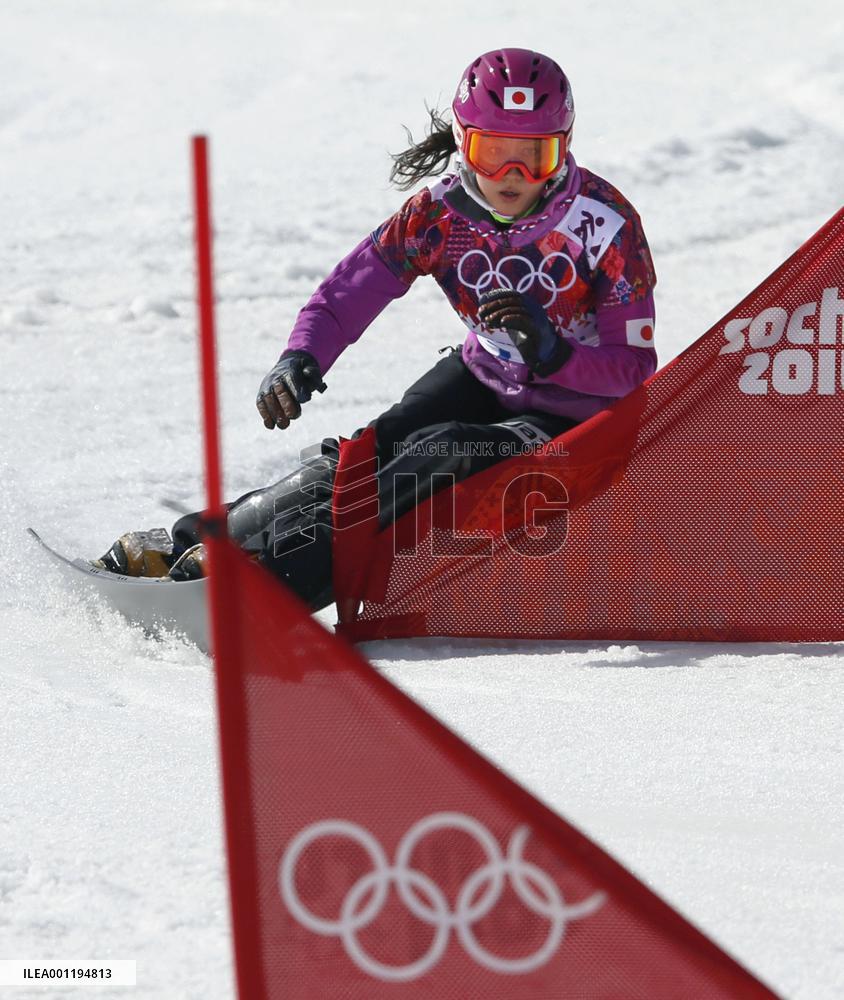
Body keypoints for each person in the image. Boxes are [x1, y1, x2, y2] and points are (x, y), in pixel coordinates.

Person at [97, 47, 657, 609]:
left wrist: (557, 355)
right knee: (362, 454)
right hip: (483, 374)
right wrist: (301, 357)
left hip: (572, 420)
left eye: (534, 155)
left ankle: (273, 575)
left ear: (564, 146)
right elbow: (348, 292)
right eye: (492, 153)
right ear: (464, 142)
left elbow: (634, 373)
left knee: (442, 450)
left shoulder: (606, 226)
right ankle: (190, 548)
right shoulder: (438, 216)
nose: (511, 176)